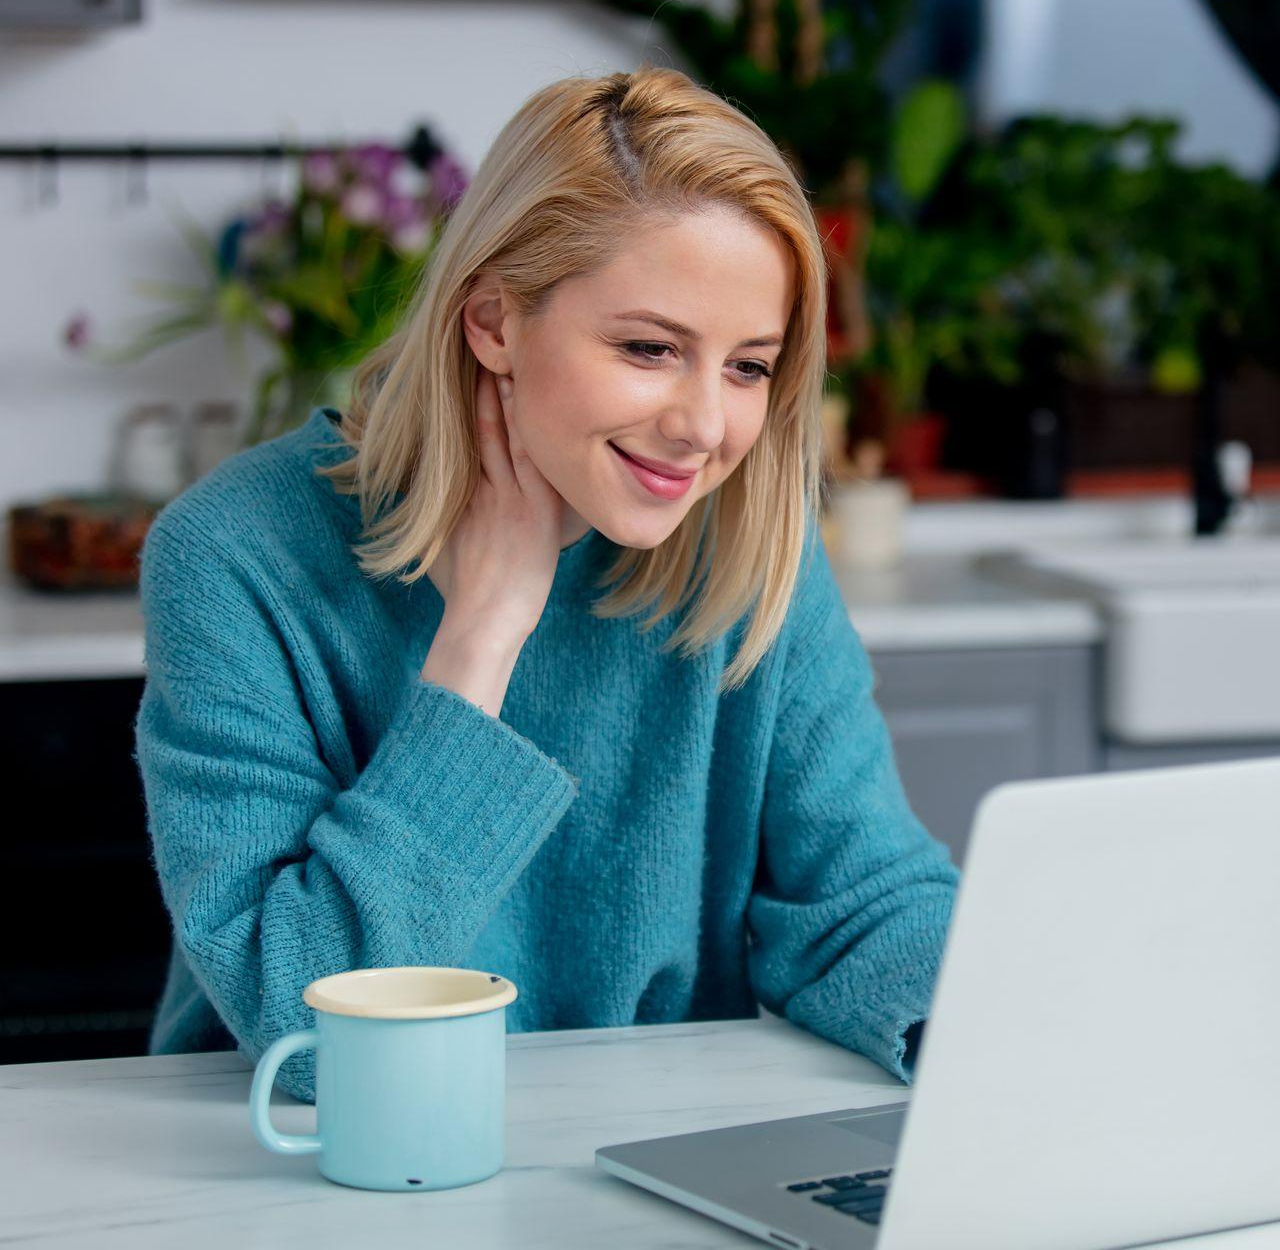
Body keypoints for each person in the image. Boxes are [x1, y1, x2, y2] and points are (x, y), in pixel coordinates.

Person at [133, 64, 959, 1105]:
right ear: (492, 322)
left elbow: (863, 901)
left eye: (748, 365)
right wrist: (483, 630)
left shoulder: (747, 548)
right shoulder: (233, 554)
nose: (705, 426)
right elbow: (308, 1026)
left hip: (637, 1147)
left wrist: (994, 1043)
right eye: (650, 348)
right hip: (302, 1165)